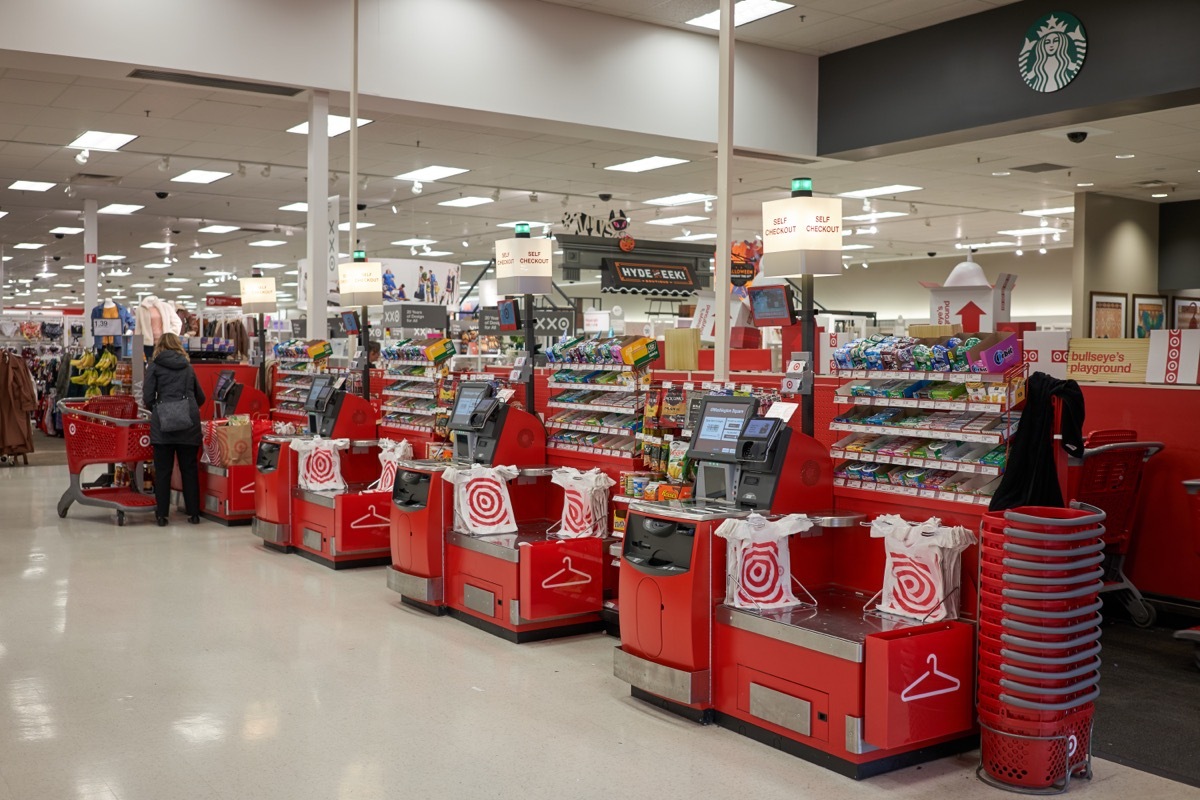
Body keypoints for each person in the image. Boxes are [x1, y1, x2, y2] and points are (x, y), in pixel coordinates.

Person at [143, 333, 205, 526]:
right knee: (189, 469)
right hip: (189, 422)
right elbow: (200, 397)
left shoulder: (154, 366)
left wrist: (161, 408)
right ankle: (194, 514)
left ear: (159, 346)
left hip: (163, 425)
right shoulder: (187, 367)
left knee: (163, 471)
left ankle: (162, 516)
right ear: (178, 345)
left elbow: (147, 396)